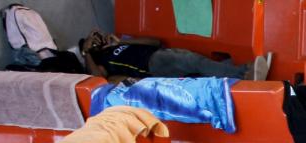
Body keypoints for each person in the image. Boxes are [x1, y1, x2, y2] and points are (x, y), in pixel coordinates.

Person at [80, 29, 269, 83]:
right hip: (151, 66)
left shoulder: (117, 44)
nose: (98, 40)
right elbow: (98, 78)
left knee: (201, 70)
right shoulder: (102, 61)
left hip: (158, 54)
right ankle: (244, 72)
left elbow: (155, 41)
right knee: (194, 61)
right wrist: (87, 52)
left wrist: (121, 42)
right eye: (93, 41)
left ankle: (244, 76)